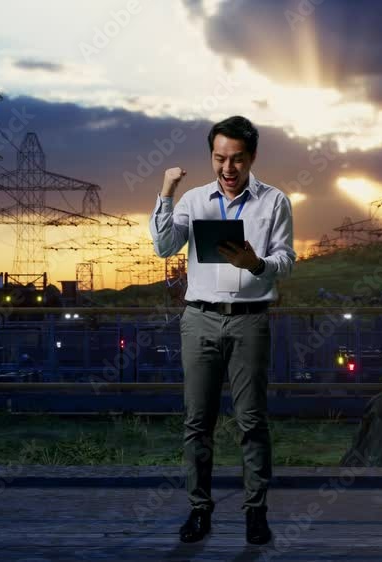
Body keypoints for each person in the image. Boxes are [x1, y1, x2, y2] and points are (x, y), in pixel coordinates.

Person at [148, 115, 296, 545]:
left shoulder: (274, 202)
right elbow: (163, 247)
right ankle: (199, 511)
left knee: (252, 421)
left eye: (237, 160)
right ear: (211, 156)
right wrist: (166, 191)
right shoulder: (194, 200)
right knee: (198, 421)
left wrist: (255, 263)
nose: (228, 169)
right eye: (219, 158)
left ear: (252, 158)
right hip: (199, 319)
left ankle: (255, 513)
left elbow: (286, 261)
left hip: (250, 319)